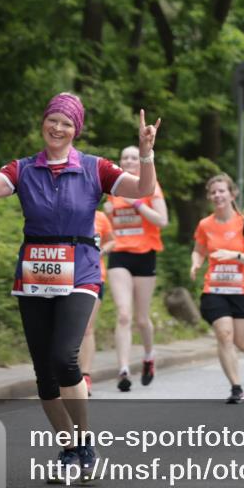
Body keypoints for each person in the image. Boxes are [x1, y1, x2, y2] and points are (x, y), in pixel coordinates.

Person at [0, 93, 160, 480]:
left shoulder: (93, 168)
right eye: (52, 119)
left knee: (64, 357)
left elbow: (141, 190)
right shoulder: (22, 169)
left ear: (76, 129)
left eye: (66, 123)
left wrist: (147, 153)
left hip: (81, 271)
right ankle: (68, 446)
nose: (57, 127)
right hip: (35, 276)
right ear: (43, 123)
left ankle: (85, 443)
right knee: (43, 373)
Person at [191, 173, 244, 403]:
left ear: (232, 194)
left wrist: (233, 255)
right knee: (224, 335)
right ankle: (236, 387)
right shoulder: (205, 224)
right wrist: (195, 263)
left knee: (242, 342)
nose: (217, 195)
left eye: (222, 191)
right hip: (215, 289)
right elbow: (199, 249)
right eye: (213, 192)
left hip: (243, 289)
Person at [105, 145, 169, 391]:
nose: (130, 160)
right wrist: (107, 213)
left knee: (142, 319)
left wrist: (138, 204)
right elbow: (107, 226)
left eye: (134, 157)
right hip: (119, 255)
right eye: (125, 158)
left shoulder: (150, 185)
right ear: (120, 162)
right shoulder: (113, 187)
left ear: (139, 161)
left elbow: (162, 221)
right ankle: (123, 370)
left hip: (145, 255)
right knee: (123, 314)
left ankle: (149, 355)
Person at [79, 210, 116, 396]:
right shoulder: (63, 211)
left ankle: (85, 376)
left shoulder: (100, 217)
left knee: (86, 327)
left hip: (94, 276)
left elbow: (111, 240)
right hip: (65, 277)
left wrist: (102, 251)